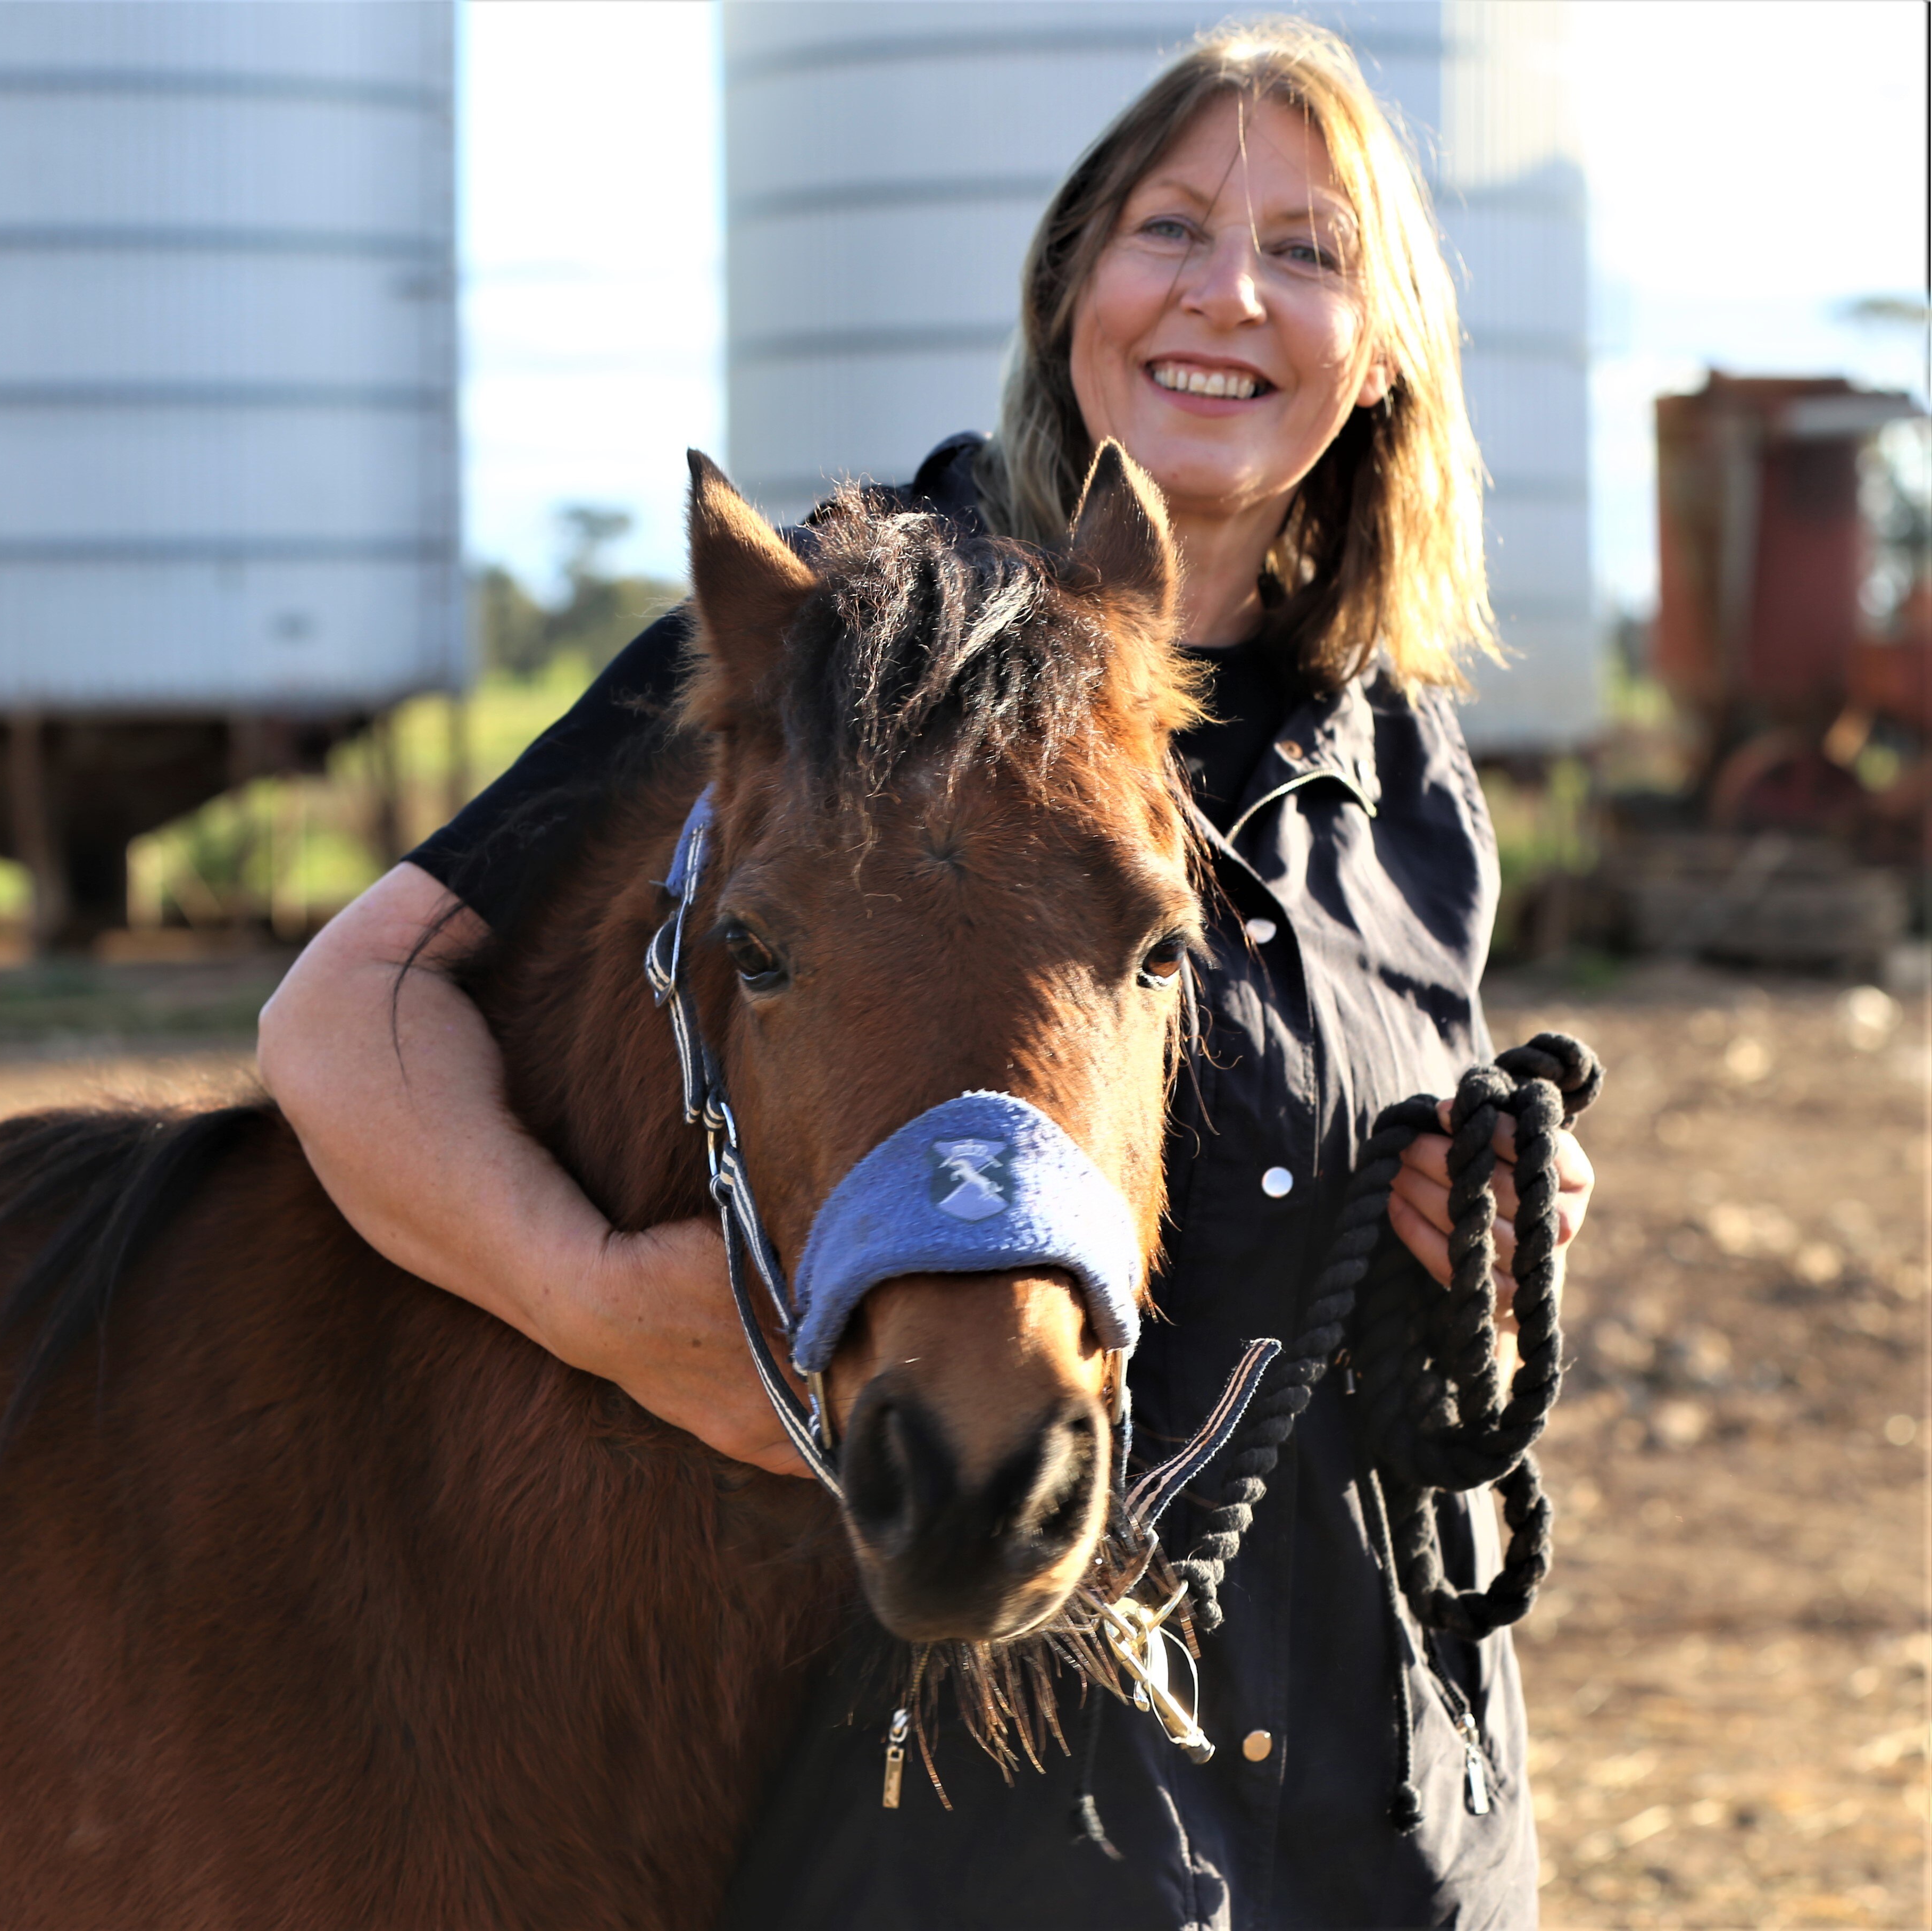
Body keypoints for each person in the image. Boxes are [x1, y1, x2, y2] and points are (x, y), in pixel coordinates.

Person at [259, 19, 1594, 1928]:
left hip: (1375, 1810)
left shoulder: (1402, 769)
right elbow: (343, 1016)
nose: (1227, 292)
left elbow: (1354, 1201)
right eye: (1169, 228)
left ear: (1378, 351)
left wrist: (1496, 1223)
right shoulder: (832, 641)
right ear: (1069, 284)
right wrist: (594, 1297)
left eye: (1307, 251)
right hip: (995, 1839)